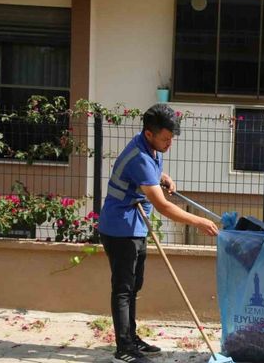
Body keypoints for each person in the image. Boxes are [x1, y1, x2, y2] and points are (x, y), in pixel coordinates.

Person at [97, 103, 219, 363]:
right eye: (166, 138)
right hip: (120, 229)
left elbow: (148, 172)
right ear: (149, 133)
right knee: (123, 288)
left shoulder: (150, 148)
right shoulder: (140, 157)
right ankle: (124, 349)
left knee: (134, 286)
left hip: (136, 225)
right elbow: (163, 205)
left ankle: (132, 338)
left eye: (171, 138)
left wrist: (162, 176)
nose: (169, 144)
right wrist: (198, 221)